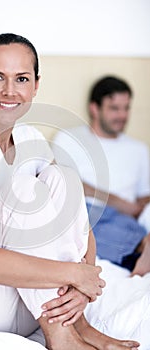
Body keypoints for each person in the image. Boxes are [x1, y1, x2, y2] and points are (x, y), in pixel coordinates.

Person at [0, 35, 140, 350]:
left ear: (36, 85)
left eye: (21, 79)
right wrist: (74, 273)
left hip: (9, 299)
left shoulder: (30, 137)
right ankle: (61, 336)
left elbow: (76, 222)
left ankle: (79, 325)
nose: (10, 91)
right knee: (23, 189)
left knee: (63, 177)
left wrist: (83, 282)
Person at [52, 76, 150, 277]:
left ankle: (140, 248)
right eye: (114, 108)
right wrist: (115, 202)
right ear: (94, 108)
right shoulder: (69, 139)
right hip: (84, 209)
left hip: (126, 219)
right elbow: (61, 181)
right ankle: (141, 247)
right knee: (76, 224)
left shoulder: (138, 150)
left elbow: (143, 199)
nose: (122, 115)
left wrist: (135, 209)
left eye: (126, 108)